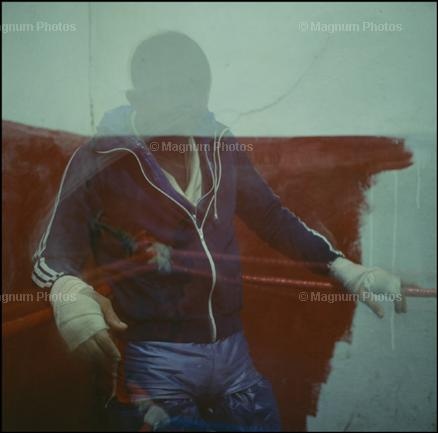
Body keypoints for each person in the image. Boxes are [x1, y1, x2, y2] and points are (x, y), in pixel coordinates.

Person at [32, 32, 404, 432]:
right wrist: (68, 294)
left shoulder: (220, 146)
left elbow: (271, 217)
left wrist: (343, 268)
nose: (188, 110)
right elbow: (52, 254)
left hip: (232, 350)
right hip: (155, 356)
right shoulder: (99, 158)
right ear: (137, 97)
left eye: (195, 95)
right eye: (173, 95)